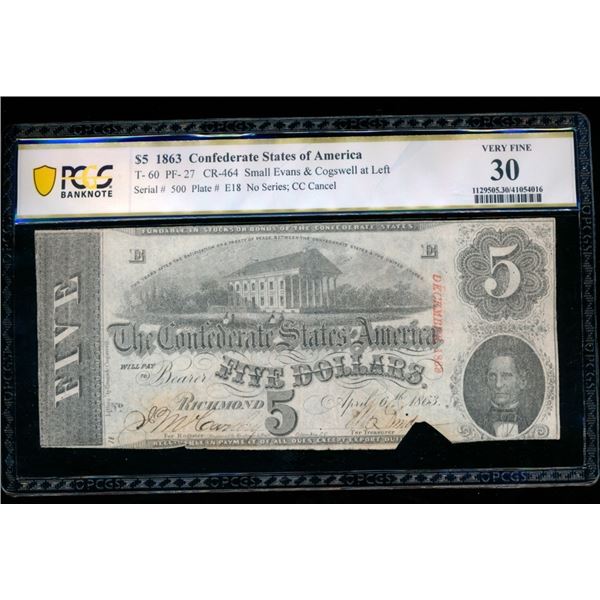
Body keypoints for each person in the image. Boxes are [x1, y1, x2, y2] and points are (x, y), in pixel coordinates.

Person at [479, 354, 531, 438]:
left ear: (522, 382)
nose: (498, 384)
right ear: (486, 381)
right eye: (492, 376)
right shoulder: (479, 424)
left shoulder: (530, 423)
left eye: (506, 376)